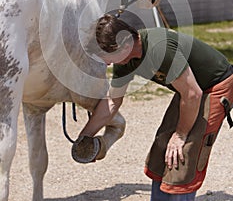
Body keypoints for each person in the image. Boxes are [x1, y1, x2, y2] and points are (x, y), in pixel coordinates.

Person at [80, 14, 233, 201]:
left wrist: (180, 135)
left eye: (107, 57)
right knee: (162, 148)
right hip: (189, 88)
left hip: (215, 85)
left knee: (184, 153)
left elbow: (193, 95)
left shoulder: (158, 48)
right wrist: (85, 136)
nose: (106, 63)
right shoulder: (126, 59)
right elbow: (112, 102)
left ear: (125, 45)